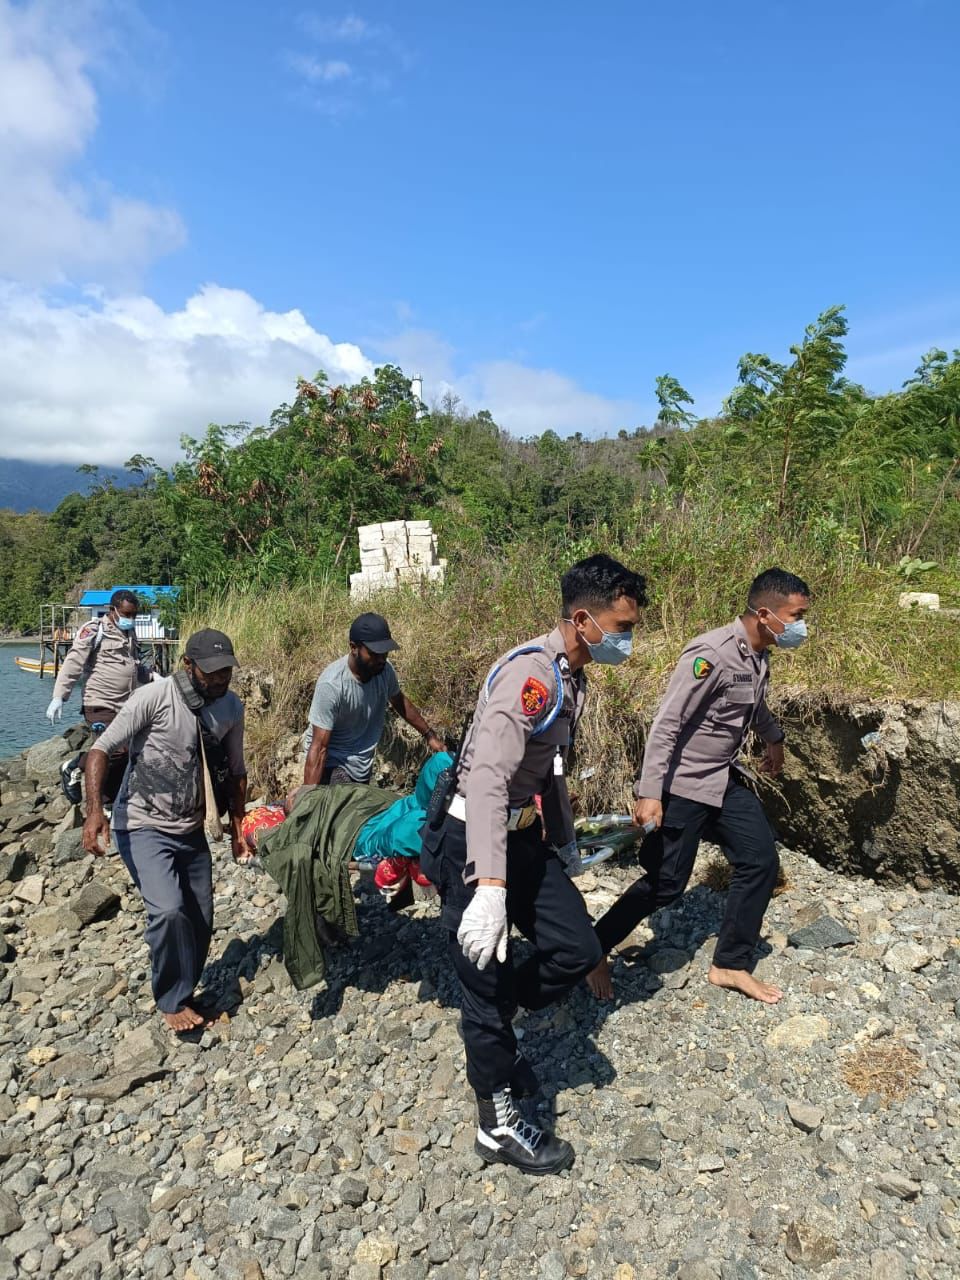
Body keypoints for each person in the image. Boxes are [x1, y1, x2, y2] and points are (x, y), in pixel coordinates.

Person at [420, 554, 648, 1175]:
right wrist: (489, 887)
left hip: (521, 835)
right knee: (483, 981)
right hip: (474, 835)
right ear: (583, 619)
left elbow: (547, 771)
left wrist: (567, 843)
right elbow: (490, 779)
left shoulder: (570, 676)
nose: (627, 640)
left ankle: (501, 1022)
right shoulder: (534, 678)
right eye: (621, 627)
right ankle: (495, 1126)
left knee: (575, 947)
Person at [588, 567, 811, 1006]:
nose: (801, 626)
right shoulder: (710, 653)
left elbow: (753, 703)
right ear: (765, 613)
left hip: (723, 779)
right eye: (796, 615)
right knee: (666, 883)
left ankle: (729, 963)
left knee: (760, 860)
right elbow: (667, 723)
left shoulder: (759, 654)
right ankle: (592, 949)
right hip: (684, 785)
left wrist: (774, 738)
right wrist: (650, 792)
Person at [81, 629, 248, 1034]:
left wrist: (239, 824)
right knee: (169, 910)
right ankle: (170, 1000)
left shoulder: (230, 708)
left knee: (200, 917)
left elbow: (236, 770)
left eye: (226, 671)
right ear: (187, 666)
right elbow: (99, 751)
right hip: (141, 824)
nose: (220, 679)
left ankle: (185, 989)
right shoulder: (152, 699)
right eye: (211, 672)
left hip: (191, 827)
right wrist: (93, 811)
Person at [302, 612, 444, 786]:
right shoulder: (332, 685)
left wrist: (430, 735)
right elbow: (319, 747)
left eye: (385, 653)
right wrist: (307, 799)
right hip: (332, 764)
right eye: (374, 653)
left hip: (360, 767)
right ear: (354, 647)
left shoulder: (384, 671)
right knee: (345, 803)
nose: (381, 659)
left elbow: (399, 701)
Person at [46, 589, 156, 805]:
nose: (130, 619)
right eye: (126, 614)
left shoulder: (129, 634)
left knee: (125, 754)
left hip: (125, 705)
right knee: (113, 750)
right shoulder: (95, 630)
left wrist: (154, 677)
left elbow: (134, 667)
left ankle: (110, 802)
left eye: (134, 614)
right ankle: (75, 766)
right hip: (100, 703)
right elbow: (73, 662)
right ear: (112, 610)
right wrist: (59, 696)